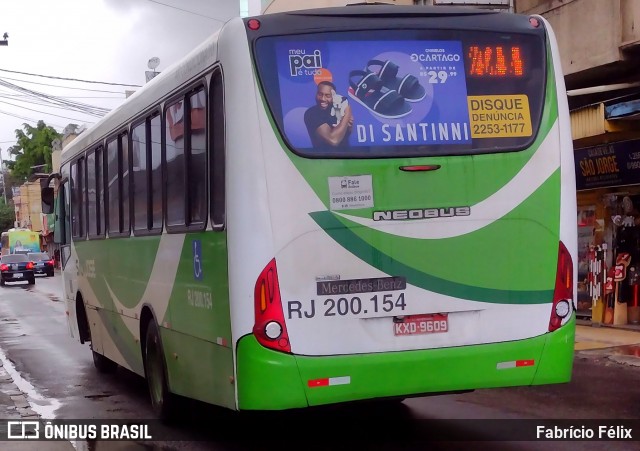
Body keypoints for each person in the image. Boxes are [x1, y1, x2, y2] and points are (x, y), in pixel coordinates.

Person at [304, 81, 353, 149]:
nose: (323, 99)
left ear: (334, 97)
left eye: (328, 95)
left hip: (348, 157)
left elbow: (346, 134)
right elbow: (334, 141)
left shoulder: (338, 110)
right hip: (325, 158)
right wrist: (348, 111)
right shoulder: (312, 113)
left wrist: (349, 125)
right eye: (320, 94)